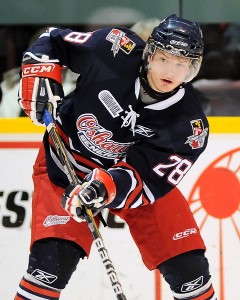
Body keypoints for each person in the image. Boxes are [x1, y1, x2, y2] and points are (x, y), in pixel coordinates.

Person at [15, 15, 217, 299]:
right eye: (164, 59)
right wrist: (40, 69)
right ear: (148, 55)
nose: (170, 70)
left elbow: (146, 180)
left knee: (190, 273)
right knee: (49, 270)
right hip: (66, 166)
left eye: (181, 64)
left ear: (192, 69)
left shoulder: (188, 127)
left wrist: (104, 186)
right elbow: (52, 40)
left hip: (126, 182)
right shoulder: (112, 50)